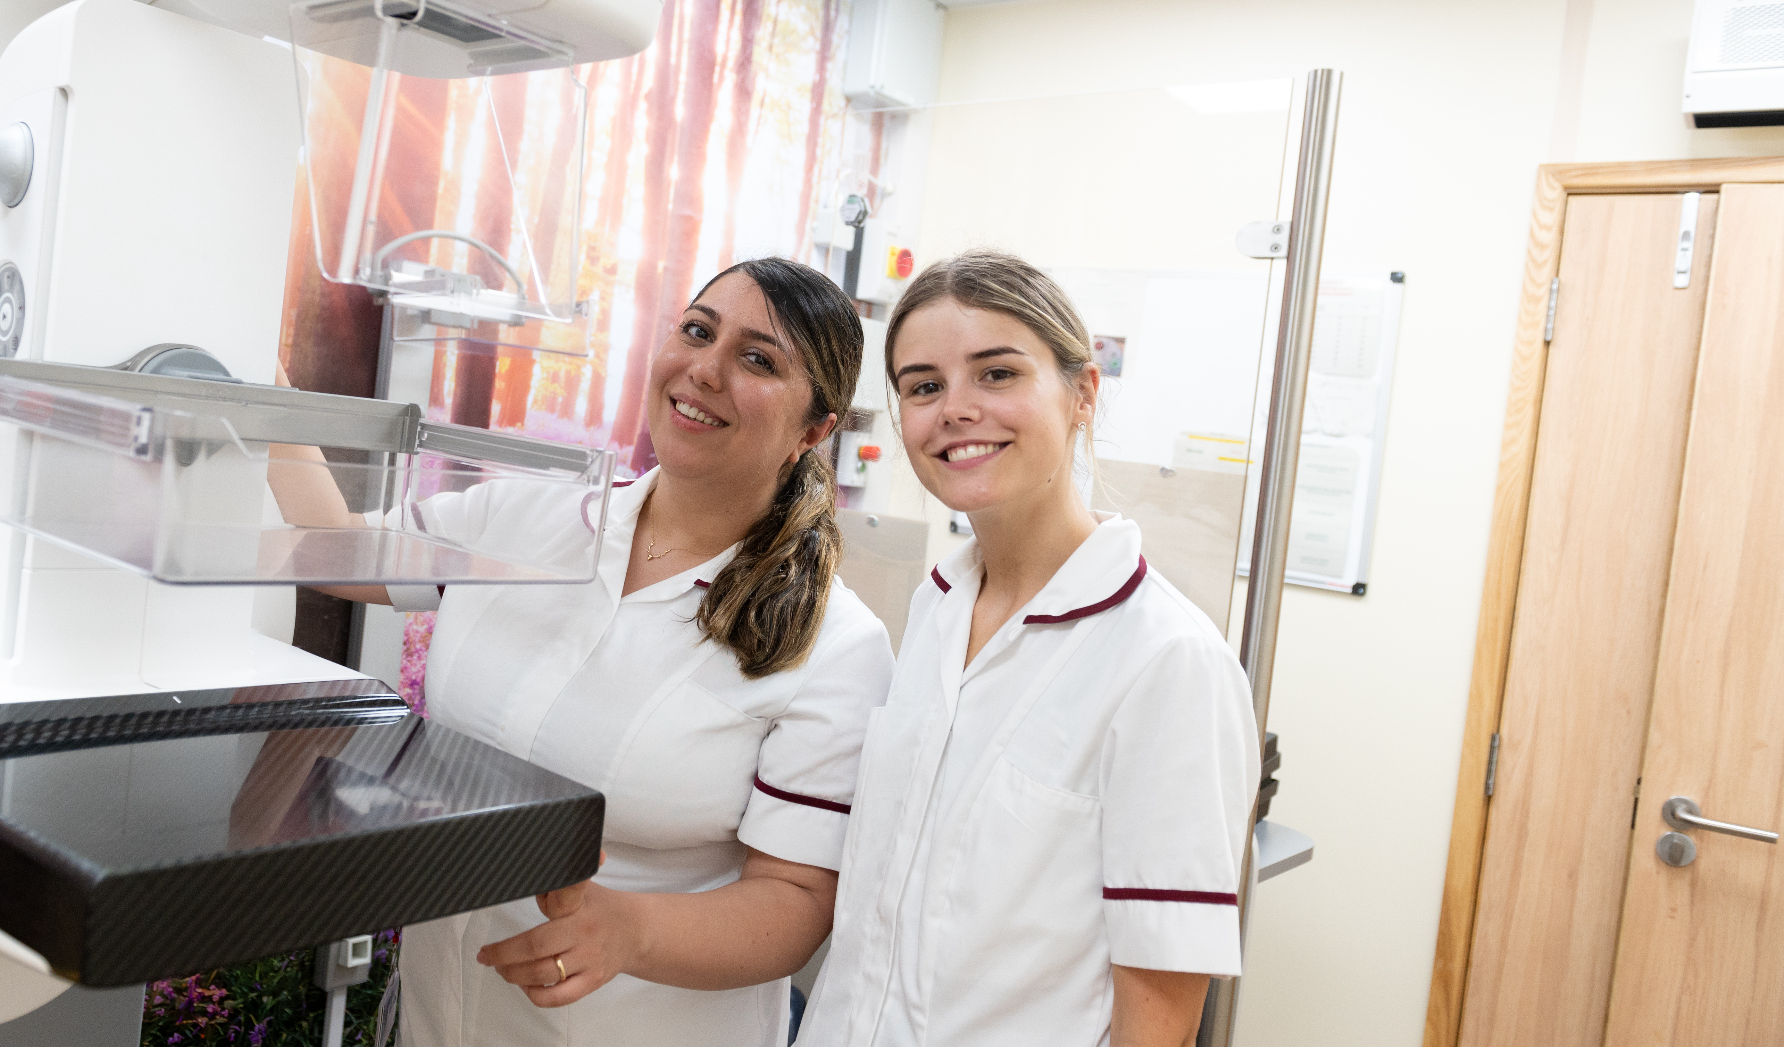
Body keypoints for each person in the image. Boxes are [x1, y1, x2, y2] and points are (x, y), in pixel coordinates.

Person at [268, 257, 894, 1047]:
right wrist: (254, 391)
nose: (704, 369)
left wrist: (631, 930)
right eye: (697, 331)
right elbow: (337, 553)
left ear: (814, 429)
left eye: (758, 358)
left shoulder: (837, 646)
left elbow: (796, 902)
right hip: (438, 1015)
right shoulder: (524, 519)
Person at [800, 252, 1259, 1047]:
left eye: (998, 374)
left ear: (1083, 393)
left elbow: (1159, 1009)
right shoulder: (938, 610)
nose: (956, 410)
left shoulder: (1169, 662)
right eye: (924, 385)